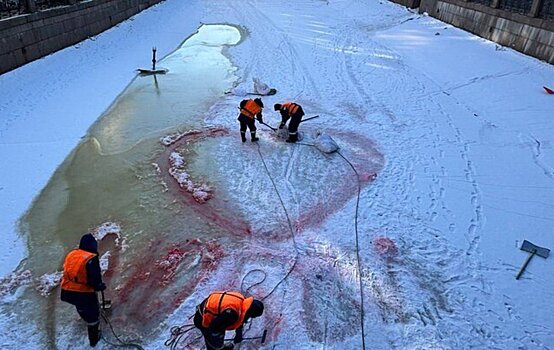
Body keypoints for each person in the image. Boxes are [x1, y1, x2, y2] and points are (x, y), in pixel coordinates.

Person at [60, 233, 107, 347]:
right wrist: (100, 286)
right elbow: (94, 280)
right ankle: (94, 340)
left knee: (81, 306)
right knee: (93, 317)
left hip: (66, 291)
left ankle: (83, 314)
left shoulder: (72, 254)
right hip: (82, 293)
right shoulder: (91, 258)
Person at [194, 291, 264, 350]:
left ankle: (219, 346)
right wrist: (215, 340)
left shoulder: (241, 301)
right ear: (249, 312)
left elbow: (241, 315)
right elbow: (213, 327)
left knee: (220, 329)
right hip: (202, 319)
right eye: (250, 316)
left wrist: (238, 334)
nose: (249, 317)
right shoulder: (231, 315)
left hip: (207, 307)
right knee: (215, 339)